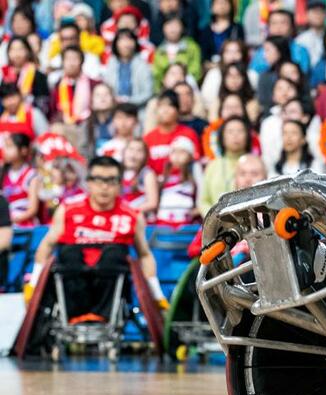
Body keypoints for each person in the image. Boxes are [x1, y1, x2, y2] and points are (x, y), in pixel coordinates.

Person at [27, 155, 167, 322]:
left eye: (111, 180)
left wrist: (156, 293)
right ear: (89, 182)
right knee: (70, 253)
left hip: (112, 284)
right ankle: (76, 317)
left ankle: (101, 317)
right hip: (71, 282)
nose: (104, 187)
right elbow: (46, 246)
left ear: (120, 184)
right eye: (99, 180)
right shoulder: (68, 211)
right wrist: (33, 283)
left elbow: (144, 254)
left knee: (114, 254)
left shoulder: (132, 216)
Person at [199, 116, 251, 216]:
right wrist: (215, 220)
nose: (235, 135)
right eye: (230, 132)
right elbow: (203, 201)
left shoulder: (255, 163)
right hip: (216, 225)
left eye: (240, 131)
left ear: (247, 136)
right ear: (222, 136)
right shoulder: (213, 166)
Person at [143, 89, 201, 175]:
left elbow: (196, 162)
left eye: (170, 106)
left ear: (178, 111)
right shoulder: (148, 138)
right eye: (161, 106)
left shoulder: (189, 134)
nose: (165, 110)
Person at [155, 135, 201, 227]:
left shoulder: (194, 169)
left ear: (190, 156)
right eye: (174, 152)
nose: (177, 155)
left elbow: (201, 189)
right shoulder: (165, 171)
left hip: (185, 220)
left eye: (182, 152)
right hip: (164, 218)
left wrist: (198, 209)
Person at [102, 29, 154, 108]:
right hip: (114, 108)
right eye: (122, 39)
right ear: (116, 43)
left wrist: (128, 101)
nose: (126, 44)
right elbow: (106, 88)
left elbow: (148, 92)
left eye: (129, 39)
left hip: (137, 109)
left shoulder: (143, 65)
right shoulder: (111, 63)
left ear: (135, 43)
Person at [152, 14, 202, 90]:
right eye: (169, 25)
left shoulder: (192, 47)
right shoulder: (159, 51)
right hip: (165, 90)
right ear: (163, 28)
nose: (172, 29)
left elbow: (195, 71)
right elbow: (156, 76)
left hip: (187, 88)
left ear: (182, 28)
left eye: (176, 25)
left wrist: (180, 79)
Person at [1, 132, 40, 225]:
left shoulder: (31, 175)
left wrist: (9, 220)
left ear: (24, 150)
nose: (5, 150)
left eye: (10, 147)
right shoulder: (3, 173)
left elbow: (32, 209)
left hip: (24, 226)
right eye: (5, 146)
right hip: (6, 224)